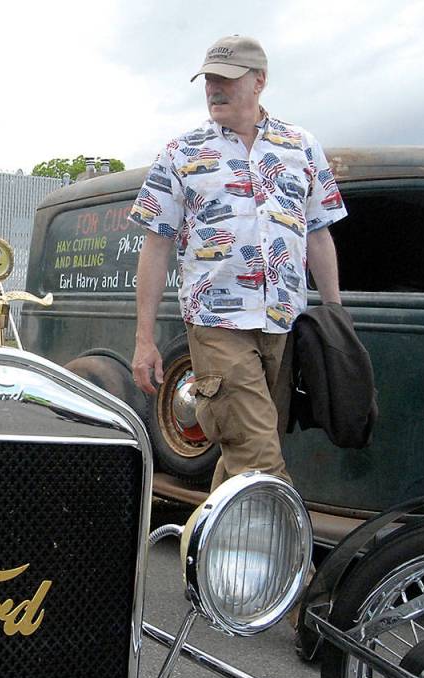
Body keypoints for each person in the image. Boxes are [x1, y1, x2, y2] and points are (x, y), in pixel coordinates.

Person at [130, 35, 348, 492]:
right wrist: (144, 339)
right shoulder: (181, 153)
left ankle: (208, 556)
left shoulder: (302, 147)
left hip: (282, 324)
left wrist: (335, 318)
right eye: (209, 78)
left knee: (243, 453)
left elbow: (320, 233)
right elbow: (155, 246)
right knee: (261, 460)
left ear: (259, 82)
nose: (215, 88)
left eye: (226, 79)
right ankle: (295, 562)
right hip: (217, 324)